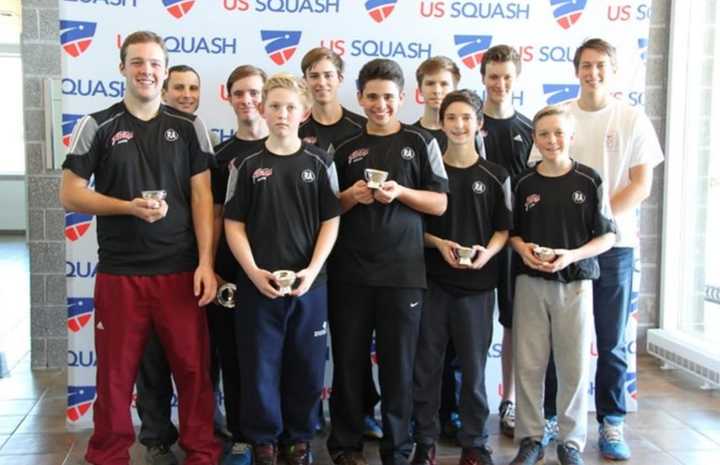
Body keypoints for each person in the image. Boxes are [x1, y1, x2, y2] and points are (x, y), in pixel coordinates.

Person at [59, 30, 221, 465]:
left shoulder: (189, 127)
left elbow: (204, 198)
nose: (146, 71)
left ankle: (202, 452)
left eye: (154, 63)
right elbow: (70, 193)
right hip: (119, 273)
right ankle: (108, 455)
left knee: (192, 371)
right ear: (122, 68)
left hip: (180, 270)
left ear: (165, 72)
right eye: (137, 62)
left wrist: (206, 262)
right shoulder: (99, 125)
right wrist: (126, 207)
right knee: (114, 376)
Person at [530, 38, 664, 461]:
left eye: (602, 65)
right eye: (586, 65)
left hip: (613, 247)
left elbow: (640, 184)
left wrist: (597, 226)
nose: (594, 73)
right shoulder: (560, 117)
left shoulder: (632, 118)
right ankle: (552, 416)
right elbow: (540, 174)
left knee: (611, 340)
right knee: (557, 339)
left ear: (614, 69)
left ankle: (611, 422)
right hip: (561, 250)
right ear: (576, 70)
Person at [326, 58, 448, 465]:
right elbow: (325, 208)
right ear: (359, 98)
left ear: (402, 98)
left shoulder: (421, 143)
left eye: (388, 97)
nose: (380, 105)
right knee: (348, 363)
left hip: (403, 274)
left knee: (399, 367)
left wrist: (401, 193)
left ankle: (398, 448)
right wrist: (350, 197)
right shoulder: (342, 148)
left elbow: (439, 201)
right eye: (372, 96)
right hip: (350, 274)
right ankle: (345, 445)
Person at [224, 73, 341, 465]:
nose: (282, 113)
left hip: (310, 284)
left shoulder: (321, 161)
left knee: (306, 365)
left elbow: (331, 219)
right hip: (259, 285)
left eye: (290, 106)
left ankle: (299, 437)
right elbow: (233, 223)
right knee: (259, 364)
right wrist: (254, 272)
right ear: (263, 108)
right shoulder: (247, 164)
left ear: (304, 111)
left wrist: (312, 270)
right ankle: (263, 439)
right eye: (274, 105)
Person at [509, 105, 616, 465]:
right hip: (531, 282)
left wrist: (571, 255)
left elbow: (607, 237)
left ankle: (570, 442)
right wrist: (523, 250)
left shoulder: (589, 180)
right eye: (544, 134)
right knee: (529, 365)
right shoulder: (524, 182)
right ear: (535, 139)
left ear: (570, 137)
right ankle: (530, 438)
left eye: (558, 133)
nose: (551, 140)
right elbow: (512, 234)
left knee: (573, 366)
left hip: (575, 283)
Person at [412, 89, 511, 465]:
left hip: (478, 287)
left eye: (466, 118)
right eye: (451, 118)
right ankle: (424, 441)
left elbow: (503, 229)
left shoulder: (495, 174)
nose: (458, 125)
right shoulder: (427, 175)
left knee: (472, 370)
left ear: (479, 124)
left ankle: (475, 442)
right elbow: (411, 230)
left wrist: (488, 251)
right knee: (427, 368)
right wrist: (437, 243)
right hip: (433, 284)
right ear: (440, 123)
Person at [132, 62, 223, 465]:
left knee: (195, 363)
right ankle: (155, 435)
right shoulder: (132, 130)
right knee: (150, 358)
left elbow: (208, 203)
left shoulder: (198, 134)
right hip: (138, 266)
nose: (187, 94)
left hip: (187, 264)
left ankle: (202, 433)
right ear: (165, 90)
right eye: (179, 87)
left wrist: (206, 260)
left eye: (193, 88)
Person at [298, 47, 380, 438]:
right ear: (306, 82)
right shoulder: (294, 129)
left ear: (341, 79)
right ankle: (305, 412)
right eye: (314, 75)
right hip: (302, 251)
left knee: (353, 341)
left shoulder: (360, 127)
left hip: (354, 251)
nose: (321, 82)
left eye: (328, 74)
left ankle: (362, 410)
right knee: (304, 342)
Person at [479, 45, 559, 442]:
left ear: (517, 78)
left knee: (514, 324)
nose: (500, 83)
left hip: (515, 245)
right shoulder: (465, 124)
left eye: (507, 76)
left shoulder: (530, 130)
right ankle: (464, 404)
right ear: (483, 78)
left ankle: (508, 401)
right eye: (493, 76)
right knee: (469, 327)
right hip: (472, 244)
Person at [210, 64, 269, 465]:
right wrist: (209, 266)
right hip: (231, 274)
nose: (248, 100)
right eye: (240, 93)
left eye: (255, 93)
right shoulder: (221, 157)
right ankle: (242, 437)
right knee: (233, 357)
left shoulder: (295, 150)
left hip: (284, 278)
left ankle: (278, 437)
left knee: (277, 361)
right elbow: (213, 217)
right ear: (227, 97)